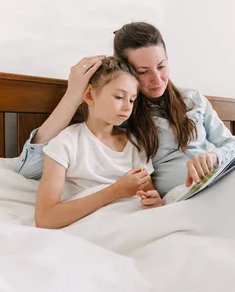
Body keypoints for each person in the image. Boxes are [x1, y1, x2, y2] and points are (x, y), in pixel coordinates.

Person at [17, 22, 235, 196]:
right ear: (127, 70)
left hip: (225, 175)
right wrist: (72, 95)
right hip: (192, 194)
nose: (157, 79)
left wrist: (215, 156)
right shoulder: (119, 113)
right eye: (143, 71)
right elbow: (30, 169)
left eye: (161, 66)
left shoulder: (192, 98)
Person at [35, 57, 161, 229]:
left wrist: (154, 201)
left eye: (132, 100)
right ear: (89, 95)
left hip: (134, 223)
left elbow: (149, 196)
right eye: (119, 97)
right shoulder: (65, 143)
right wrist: (115, 191)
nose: (127, 107)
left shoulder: (136, 145)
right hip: (94, 226)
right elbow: (45, 218)